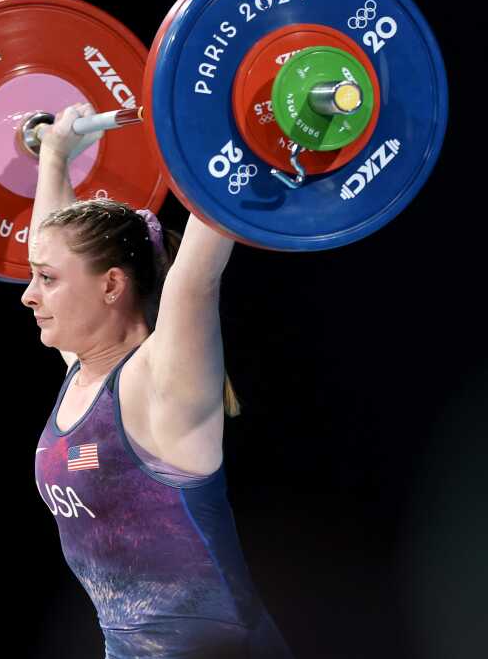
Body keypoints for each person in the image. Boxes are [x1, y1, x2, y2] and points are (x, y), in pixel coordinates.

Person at [24, 103, 295, 658]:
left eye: (46, 281)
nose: (28, 295)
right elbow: (53, 246)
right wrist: (53, 157)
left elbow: (196, 274)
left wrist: (244, 126)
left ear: (111, 286)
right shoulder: (85, 373)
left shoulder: (160, 385)